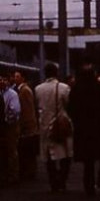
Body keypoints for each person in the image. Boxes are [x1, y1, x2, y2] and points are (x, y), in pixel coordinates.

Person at [67, 64, 100, 196]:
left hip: (84, 129)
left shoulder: (76, 89)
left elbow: (71, 109)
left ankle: (89, 186)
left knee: (88, 161)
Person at [34, 62, 73, 192]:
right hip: (61, 125)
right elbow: (68, 105)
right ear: (56, 73)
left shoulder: (38, 89)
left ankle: (53, 182)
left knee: (49, 157)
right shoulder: (64, 88)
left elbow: (38, 106)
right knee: (65, 154)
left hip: (45, 126)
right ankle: (62, 179)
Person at [13, 70, 40, 181]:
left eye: (17, 76)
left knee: (27, 150)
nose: (15, 78)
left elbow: (27, 109)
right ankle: (29, 172)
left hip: (27, 126)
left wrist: (25, 124)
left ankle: (29, 173)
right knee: (28, 151)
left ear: (23, 78)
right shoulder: (22, 90)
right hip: (28, 125)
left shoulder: (24, 91)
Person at [0, 74, 21, 185]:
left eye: (4, 79)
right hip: (2, 126)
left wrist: (6, 119)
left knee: (12, 150)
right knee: (3, 151)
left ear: (8, 81)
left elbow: (16, 111)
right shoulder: (1, 93)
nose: (2, 81)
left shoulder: (12, 94)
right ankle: (4, 174)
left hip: (10, 126)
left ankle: (14, 175)